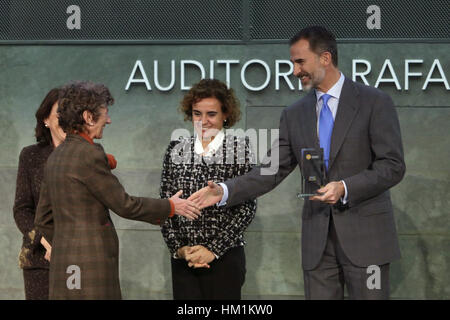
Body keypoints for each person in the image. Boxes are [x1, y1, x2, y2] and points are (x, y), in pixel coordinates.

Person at [189, 26, 406, 299]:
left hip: (368, 240)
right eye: (293, 63)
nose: (294, 71)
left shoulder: (375, 102)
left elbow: (392, 165)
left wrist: (345, 187)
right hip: (317, 243)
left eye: (300, 62)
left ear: (325, 58)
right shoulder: (294, 114)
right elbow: (271, 170)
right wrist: (224, 190)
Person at [34, 81, 200, 300]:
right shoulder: (88, 155)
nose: (109, 120)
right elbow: (125, 205)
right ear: (88, 117)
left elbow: (43, 220)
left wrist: (66, 248)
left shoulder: (55, 156)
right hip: (90, 264)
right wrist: (170, 206)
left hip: (64, 266)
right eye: (105, 113)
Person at [160, 79, 256, 299]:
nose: (203, 121)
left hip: (225, 258)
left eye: (211, 114)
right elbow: (165, 205)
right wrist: (179, 249)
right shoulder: (176, 148)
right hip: (185, 260)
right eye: (197, 114)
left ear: (225, 115)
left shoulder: (239, 149)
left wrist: (212, 250)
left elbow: (247, 208)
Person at [13, 88, 65, 299]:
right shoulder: (30, 156)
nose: (66, 120)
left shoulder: (89, 154)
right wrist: (46, 242)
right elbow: (22, 210)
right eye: (60, 114)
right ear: (46, 119)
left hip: (79, 259)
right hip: (39, 258)